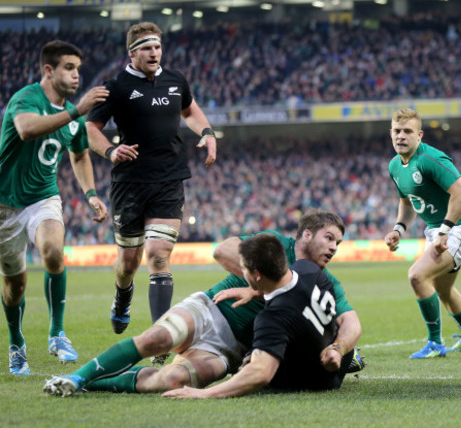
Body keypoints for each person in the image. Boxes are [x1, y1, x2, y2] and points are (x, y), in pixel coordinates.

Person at [43, 209, 362, 396]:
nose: (334, 247)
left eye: (339, 242)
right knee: (157, 338)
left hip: (233, 347)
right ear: (307, 235)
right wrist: (261, 285)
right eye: (329, 238)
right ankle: (77, 376)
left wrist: (341, 347)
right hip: (210, 309)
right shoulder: (274, 244)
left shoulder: (325, 279)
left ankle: (92, 385)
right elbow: (223, 249)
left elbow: (351, 321)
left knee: (171, 379)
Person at [84, 22, 217, 349]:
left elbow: (191, 110)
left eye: (157, 47)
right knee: (128, 263)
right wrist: (111, 150)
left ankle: (162, 339)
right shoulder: (115, 87)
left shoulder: (176, 80)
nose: (154, 53)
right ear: (132, 52)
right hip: (129, 183)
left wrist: (208, 133)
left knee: (158, 255)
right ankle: (122, 296)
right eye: (146, 48)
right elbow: (90, 128)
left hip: (169, 179)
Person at [0, 40, 109, 375]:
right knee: (15, 286)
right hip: (4, 206)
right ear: (49, 70)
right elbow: (27, 129)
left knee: (52, 251)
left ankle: (56, 333)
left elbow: (79, 155)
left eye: (78, 68)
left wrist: (90, 192)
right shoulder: (27, 98)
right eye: (69, 68)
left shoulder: (74, 119)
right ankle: (17, 343)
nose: (77, 75)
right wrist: (77, 111)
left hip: (42, 199)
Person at [163, 233, 351, 398]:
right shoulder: (309, 271)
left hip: (314, 381)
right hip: (340, 359)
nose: (243, 274)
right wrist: (255, 291)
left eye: (244, 270)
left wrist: (203, 393)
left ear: (257, 275)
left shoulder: (271, 318)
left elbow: (260, 374)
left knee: (250, 364)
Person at [384, 108, 461, 359]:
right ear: (391, 134)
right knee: (443, 289)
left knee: (417, 276)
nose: (401, 136)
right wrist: (399, 228)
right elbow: (407, 202)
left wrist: (445, 230)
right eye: (397, 131)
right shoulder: (395, 165)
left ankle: (435, 343)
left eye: (407, 131)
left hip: (460, 228)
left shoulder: (430, 159)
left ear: (419, 135)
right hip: (439, 231)